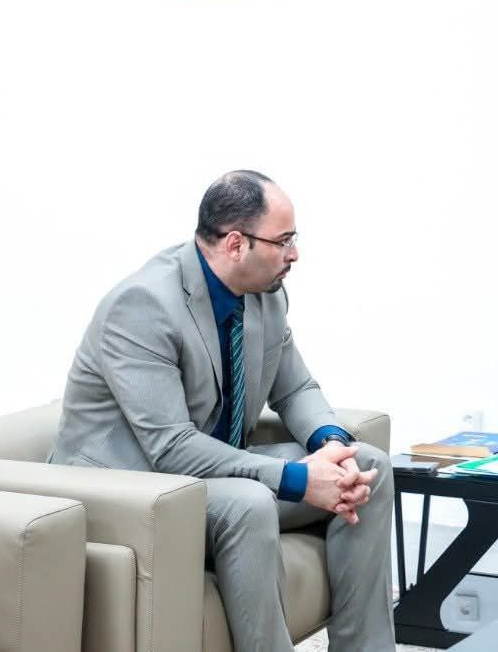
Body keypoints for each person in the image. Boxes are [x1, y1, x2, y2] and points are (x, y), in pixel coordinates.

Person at [49, 170, 394, 651]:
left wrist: (332, 448)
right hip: (132, 485)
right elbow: (171, 448)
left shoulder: (265, 295)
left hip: (209, 474)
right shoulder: (143, 306)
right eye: (284, 241)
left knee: (368, 465)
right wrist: (297, 478)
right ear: (236, 244)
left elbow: (295, 389)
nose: (295, 254)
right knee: (248, 503)